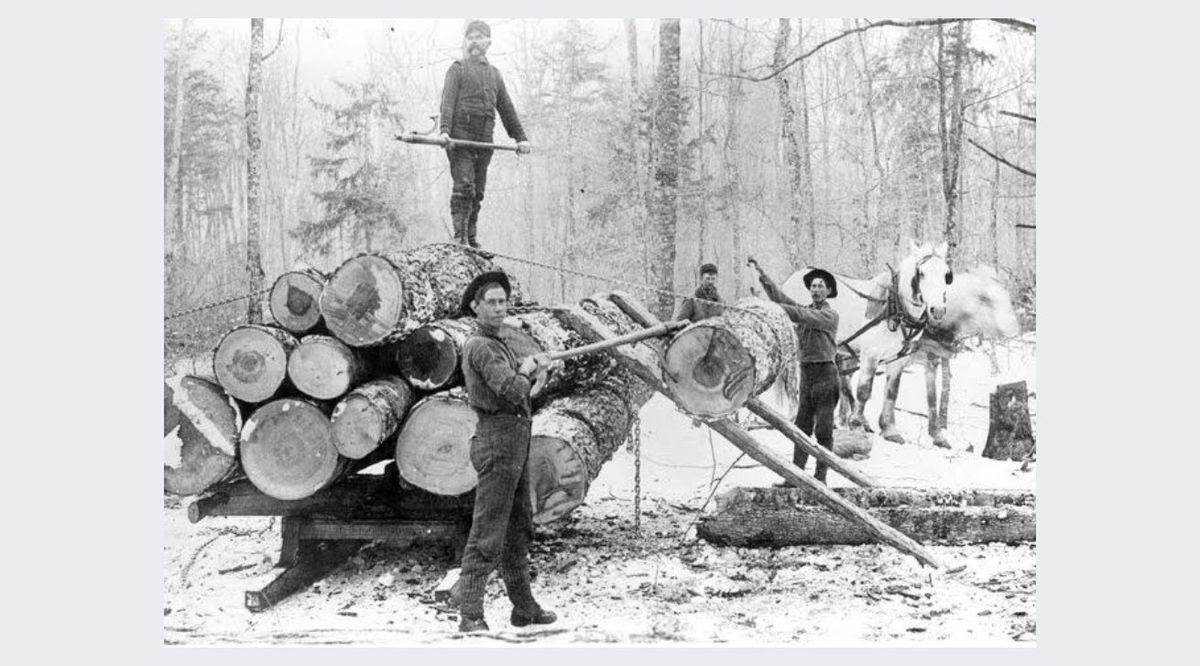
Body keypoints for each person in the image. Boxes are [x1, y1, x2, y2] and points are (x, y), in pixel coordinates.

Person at [451, 270, 556, 633]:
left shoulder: (499, 342)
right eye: (491, 302)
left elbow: (524, 395)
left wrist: (538, 374)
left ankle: (523, 608)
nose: (498, 308)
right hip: (496, 442)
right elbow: (511, 389)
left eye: (502, 301)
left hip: (515, 440)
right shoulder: (480, 346)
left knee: (518, 526)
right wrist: (526, 370)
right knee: (488, 530)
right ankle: (470, 614)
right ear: (475, 307)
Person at [439, 20, 532, 250]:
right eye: (470, 37)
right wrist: (444, 131)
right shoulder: (457, 69)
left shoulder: (494, 75)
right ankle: (459, 238)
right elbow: (447, 103)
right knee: (464, 186)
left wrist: (520, 137)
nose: (474, 41)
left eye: (479, 37)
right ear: (465, 42)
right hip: (460, 142)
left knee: (478, 192)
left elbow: (506, 109)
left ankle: (471, 239)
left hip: (484, 144)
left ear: (488, 42)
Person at [749, 258, 840, 484]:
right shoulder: (805, 309)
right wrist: (762, 275)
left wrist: (772, 308)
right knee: (801, 429)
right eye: (813, 286)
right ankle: (796, 477)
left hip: (826, 376)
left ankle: (821, 479)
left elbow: (798, 315)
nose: (816, 289)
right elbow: (783, 300)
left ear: (828, 291)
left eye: (821, 286)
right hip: (807, 376)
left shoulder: (829, 316)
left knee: (824, 431)